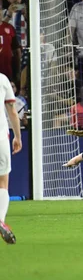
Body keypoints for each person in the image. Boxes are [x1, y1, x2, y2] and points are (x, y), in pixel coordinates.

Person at [0, 72, 22, 244]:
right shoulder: (2, 79)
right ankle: (0, 219)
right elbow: (12, 112)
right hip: (0, 137)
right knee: (3, 182)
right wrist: (18, 137)